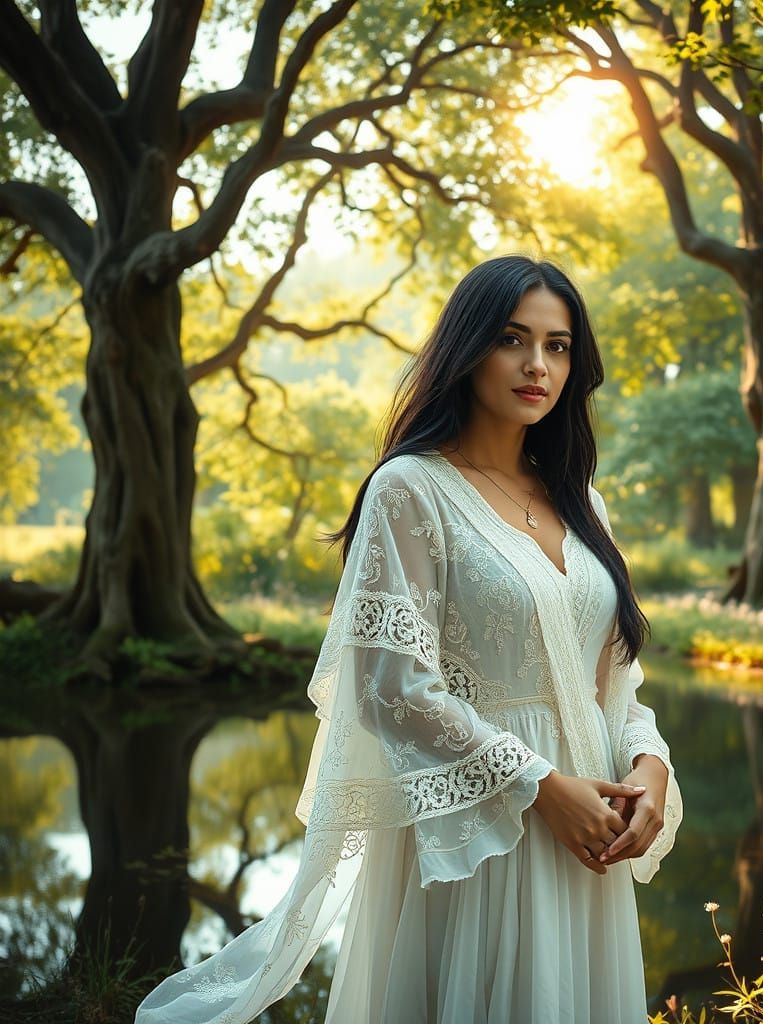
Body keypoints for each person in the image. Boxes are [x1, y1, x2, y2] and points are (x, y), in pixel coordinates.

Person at [135, 255, 682, 1024]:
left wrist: (650, 767)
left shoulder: (580, 498)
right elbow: (392, 688)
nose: (537, 365)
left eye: (558, 346)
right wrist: (539, 785)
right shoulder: (411, 489)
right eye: (512, 339)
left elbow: (616, 680)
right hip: (486, 830)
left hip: (595, 825)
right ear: (467, 349)